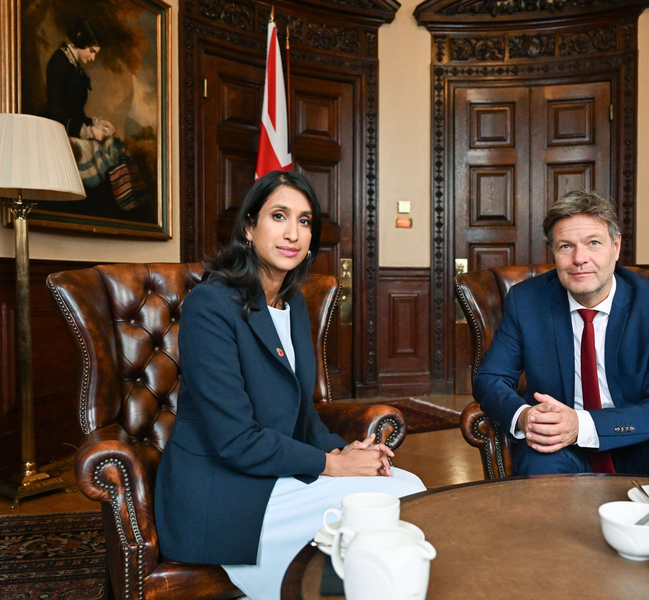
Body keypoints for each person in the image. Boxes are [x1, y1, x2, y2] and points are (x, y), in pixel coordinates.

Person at [154, 171, 425, 600]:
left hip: (275, 475)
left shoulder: (292, 302)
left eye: (304, 221)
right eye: (278, 216)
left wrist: (346, 450)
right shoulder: (210, 304)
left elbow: (303, 414)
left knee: (408, 489)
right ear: (249, 226)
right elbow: (234, 439)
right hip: (221, 491)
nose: (292, 233)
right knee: (387, 508)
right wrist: (332, 466)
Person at [472, 190, 649, 479]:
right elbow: (490, 379)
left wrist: (582, 425)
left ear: (615, 247)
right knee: (540, 465)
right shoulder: (526, 301)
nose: (580, 259)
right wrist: (524, 416)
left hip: (637, 438)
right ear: (553, 253)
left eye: (593, 243)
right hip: (559, 445)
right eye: (566, 246)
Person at [43, 18, 151, 221]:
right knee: (107, 152)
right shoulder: (59, 63)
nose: (93, 58)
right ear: (79, 41)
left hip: (74, 129)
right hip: (61, 134)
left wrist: (95, 122)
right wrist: (89, 131)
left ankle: (132, 204)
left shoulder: (75, 66)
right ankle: (115, 212)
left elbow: (76, 112)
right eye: (91, 51)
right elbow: (58, 115)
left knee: (116, 146)